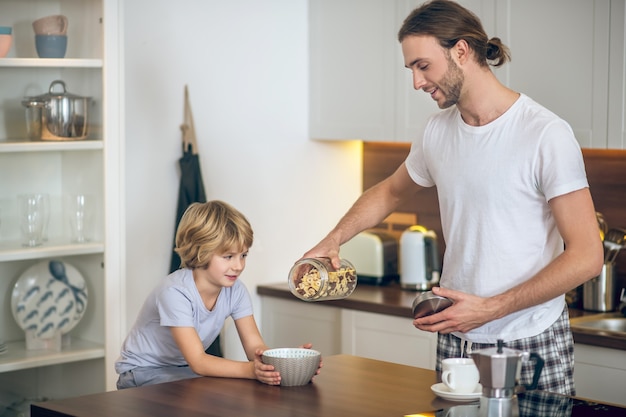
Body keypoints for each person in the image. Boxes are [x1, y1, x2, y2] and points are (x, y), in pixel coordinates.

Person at [301, 0, 603, 396]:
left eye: (423, 66)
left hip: (529, 340)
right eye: (411, 69)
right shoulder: (436, 132)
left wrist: (492, 308)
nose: (416, 82)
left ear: (461, 50)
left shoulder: (544, 134)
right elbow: (390, 191)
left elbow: (587, 255)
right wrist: (334, 238)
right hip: (457, 338)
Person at [116, 200, 320, 388]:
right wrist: (251, 371)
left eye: (243, 255)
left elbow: (254, 347)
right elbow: (198, 361)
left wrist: (286, 363)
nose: (238, 266)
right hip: (142, 371)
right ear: (201, 251)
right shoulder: (175, 292)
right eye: (228, 256)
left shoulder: (236, 290)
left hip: (184, 371)